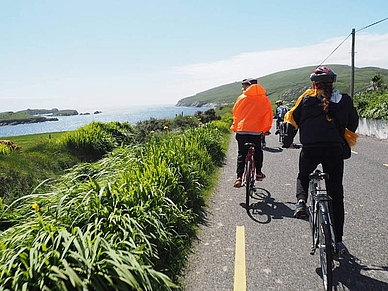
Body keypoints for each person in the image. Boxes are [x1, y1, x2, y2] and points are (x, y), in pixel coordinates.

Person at [282, 67, 359, 254]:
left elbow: (292, 120)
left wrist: (288, 142)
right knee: (336, 193)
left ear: (314, 84)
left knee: (303, 175)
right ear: (332, 83)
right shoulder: (345, 100)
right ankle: (338, 241)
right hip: (334, 149)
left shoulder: (306, 99)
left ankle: (301, 202)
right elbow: (353, 123)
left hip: (310, 149)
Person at [230, 78, 273, 188]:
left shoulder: (241, 98)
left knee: (241, 153)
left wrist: (235, 127)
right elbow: (268, 116)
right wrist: (266, 129)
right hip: (256, 131)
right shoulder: (264, 99)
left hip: (242, 130)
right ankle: (258, 173)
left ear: (247, 86)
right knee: (258, 151)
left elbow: (235, 113)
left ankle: (239, 178)